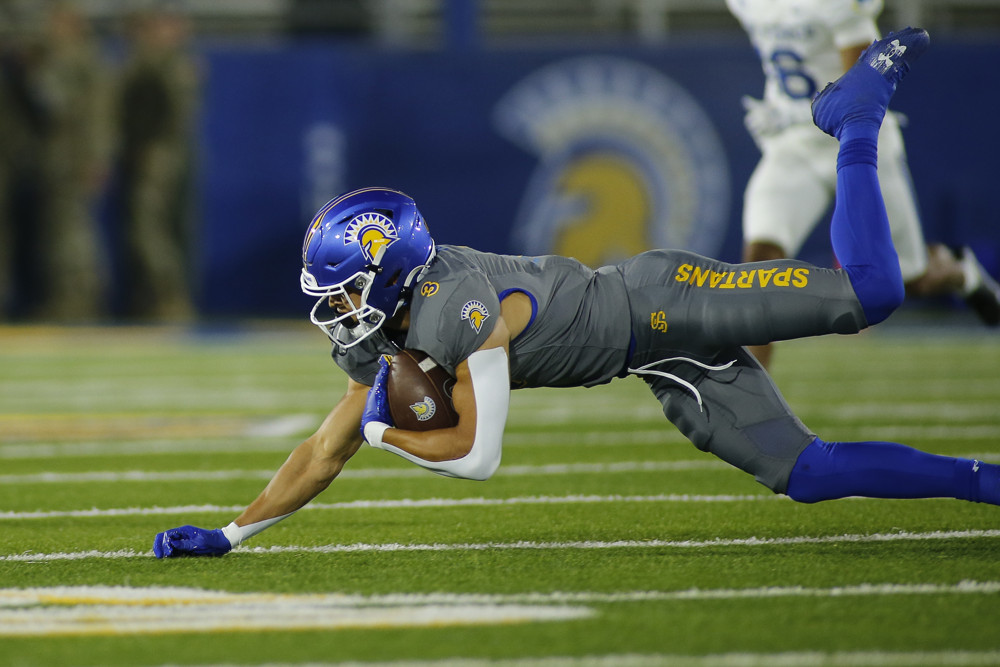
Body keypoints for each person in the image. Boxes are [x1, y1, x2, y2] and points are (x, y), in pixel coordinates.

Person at [154, 29, 999, 558]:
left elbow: (477, 455)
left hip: (664, 301)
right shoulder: (394, 326)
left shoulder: (458, 305)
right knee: (808, 474)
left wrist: (385, 429)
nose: (337, 312)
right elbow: (322, 451)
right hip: (659, 361)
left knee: (871, 293)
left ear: (391, 271)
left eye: (345, 292)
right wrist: (232, 533)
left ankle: (856, 116)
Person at [727, 0, 1000, 368]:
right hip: (793, 146)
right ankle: (749, 393)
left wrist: (813, 114)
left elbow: (862, 87)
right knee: (758, 264)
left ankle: (962, 273)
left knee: (910, 279)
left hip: (856, 138)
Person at [117, 5, 200, 321]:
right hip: (149, 153)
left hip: (160, 155)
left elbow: (172, 113)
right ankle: (152, 299)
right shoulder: (150, 63)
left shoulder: (173, 65)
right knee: (147, 230)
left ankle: (170, 298)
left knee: (150, 230)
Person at [33, 1, 113, 321]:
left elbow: (95, 114)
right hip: (61, 159)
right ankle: (69, 298)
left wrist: (97, 157)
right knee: (63, 231)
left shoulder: (80, 59)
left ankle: (81, 300)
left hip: (76, 158)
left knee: (75, 233)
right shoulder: (68, 57)